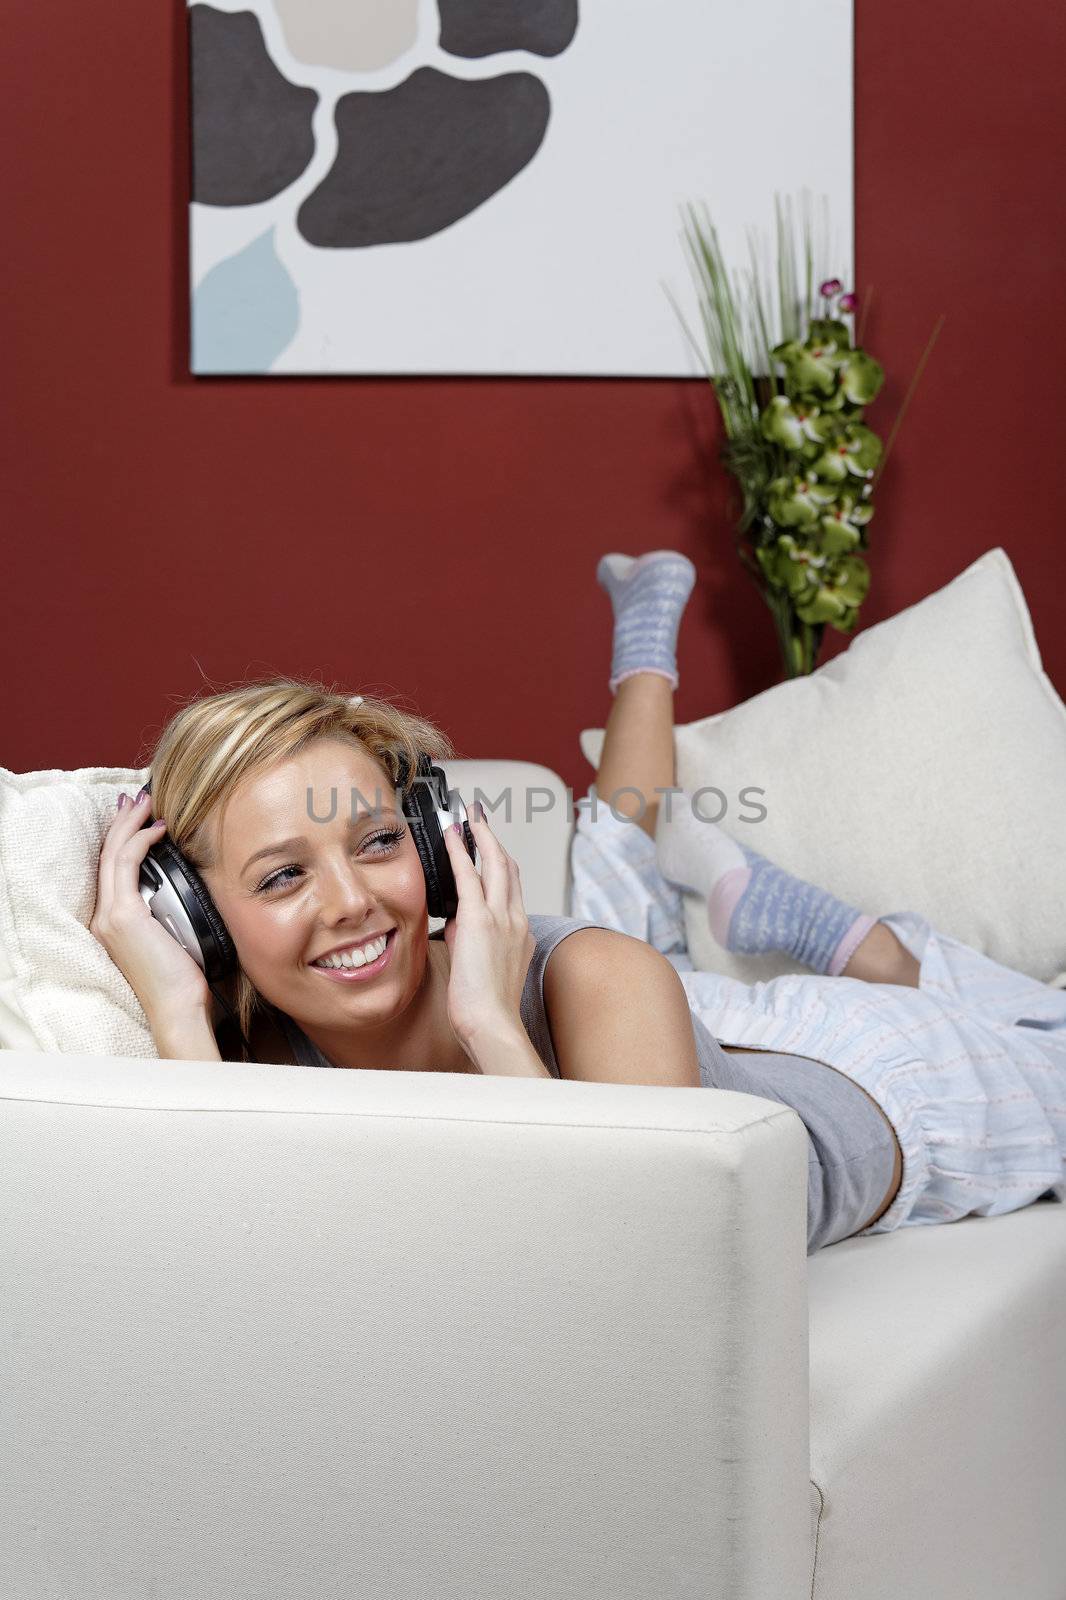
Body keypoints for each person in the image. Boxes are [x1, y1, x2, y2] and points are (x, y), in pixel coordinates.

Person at [569, 548, 1066, 1250]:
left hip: (787, 1037)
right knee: (1051, 1047)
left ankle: (845, 936)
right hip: (855, 1054)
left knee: (616, 898)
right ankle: (844, 936)